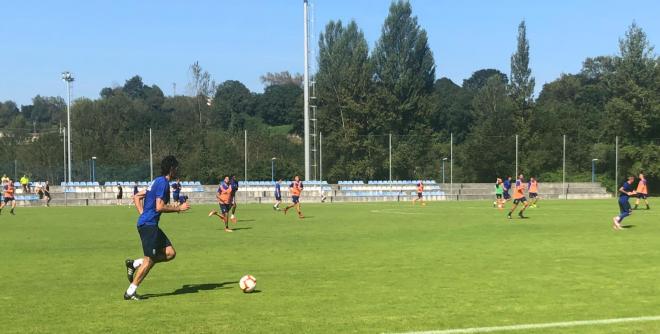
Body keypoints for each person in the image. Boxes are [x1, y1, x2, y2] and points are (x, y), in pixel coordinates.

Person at [123, 156, 190, 301]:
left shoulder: (156, 181)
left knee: (170, 253)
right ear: (171, 168)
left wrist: (143, 214)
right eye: (176, 168)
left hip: (149, 224)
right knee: (150, 259)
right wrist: (178, 208)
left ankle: (135, 264)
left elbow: (136, 197)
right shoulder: (163, 183)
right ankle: (130, 291)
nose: (177, 170)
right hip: (149, 226)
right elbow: (159, 206)